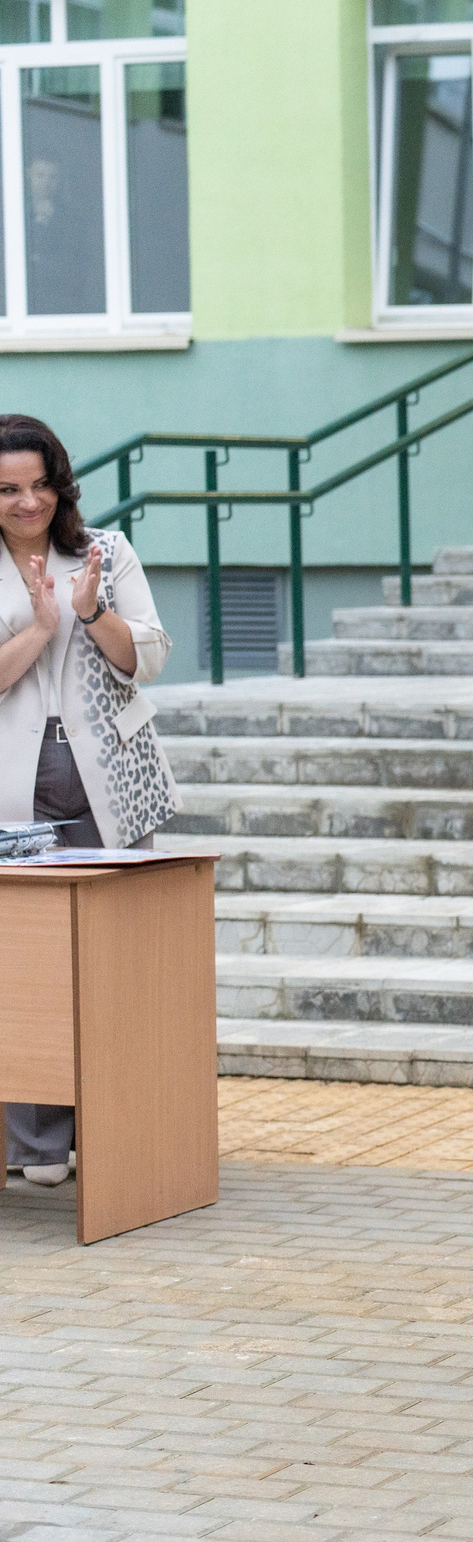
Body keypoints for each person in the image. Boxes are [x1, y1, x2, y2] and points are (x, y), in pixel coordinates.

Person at [0, 414, 178, 1191]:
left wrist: (89, 612)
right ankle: (38, 1146)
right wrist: (40, 627)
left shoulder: (104, 551)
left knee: (111, 965)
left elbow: (149, 656)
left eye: (39, 483)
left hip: (108, 779)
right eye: (8, 488)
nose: (27, 500)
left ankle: (119, 1134)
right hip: (15, 784)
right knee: (28, 969)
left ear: (60, 482)